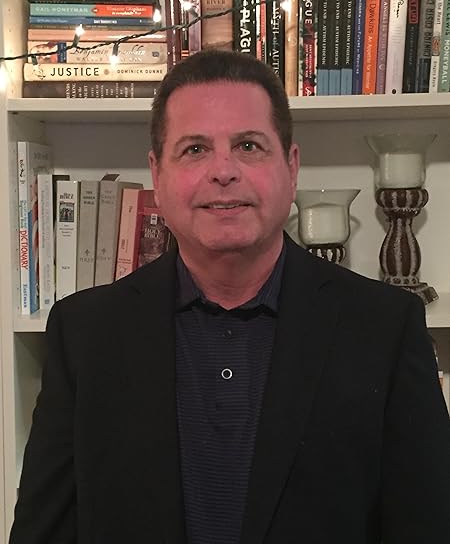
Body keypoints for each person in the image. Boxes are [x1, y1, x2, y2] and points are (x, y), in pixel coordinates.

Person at [9, 50, 450, 544]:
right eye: (195, 149)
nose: (223, 171)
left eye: (248, 145)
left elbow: (427, 527)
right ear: (158, 175)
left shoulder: (386, 329)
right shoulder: (84, 334)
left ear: (291, 167)